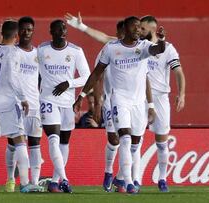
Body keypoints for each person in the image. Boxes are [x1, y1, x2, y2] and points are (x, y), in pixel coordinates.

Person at [73, 16, 165, 194]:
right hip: (118, 100)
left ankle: (120, 177)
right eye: (135, 27)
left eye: (140, 27)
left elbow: (157, 49)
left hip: (139, 103)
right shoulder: (111, 48)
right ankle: (128, 182)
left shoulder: (144, 47)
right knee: (123, 136)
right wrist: (82, 95)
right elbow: (96, 74)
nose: (138, 30)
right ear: (125, 29)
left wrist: (161, 40)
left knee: (135, 142)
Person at [0, 20, 43, 193]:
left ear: (1, 34)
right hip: (7, 104)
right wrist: (23, 99)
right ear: (16, 36)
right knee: (20, 141)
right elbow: (14, 78)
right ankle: (26, 183)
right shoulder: (14, 53)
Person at [65, 12, 126, 192]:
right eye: (121, 34)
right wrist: (98, 104)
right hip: (111, 101)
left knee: (130, 139)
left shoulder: (138, 49)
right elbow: (97, 76)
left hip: (134, 102)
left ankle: (123, 179)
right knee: (114, 139)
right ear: (118, 33)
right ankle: (108, 172)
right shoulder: (109, 48)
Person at [37, 19, 91, 193]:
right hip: (47, 100)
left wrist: (68, 83)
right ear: (51, 31)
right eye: (58, 29)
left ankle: (54, 181)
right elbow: (35, 75)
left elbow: (86, 76)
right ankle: (66, 179)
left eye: (64, 28)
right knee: (53, 137)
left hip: (67, 102)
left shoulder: (75, 51)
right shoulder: (41, 49)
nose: (62, 31)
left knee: (64, 142)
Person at [140, 15, 186, 192]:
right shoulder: (140, 46)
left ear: (152, 29)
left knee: (161, 141)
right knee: (135, 138)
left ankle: (162, 178)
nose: (139, 31)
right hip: (139, 98)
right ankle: (133, 179)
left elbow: (179, 72)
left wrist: (181, 94)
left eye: (143, 29)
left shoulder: (168, 49)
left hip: (160, 98)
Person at [3, 16, 43, 192]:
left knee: (35, 143)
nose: (26, 33)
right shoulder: (12, 52)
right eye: (23, 29)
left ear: (33, 31)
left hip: (34, 105)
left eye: (29, 30)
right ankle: (11, 178)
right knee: (13, 143)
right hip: (16, 105)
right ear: (18, 32)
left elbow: (41, 78)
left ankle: (33, 181)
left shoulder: (38, 54)